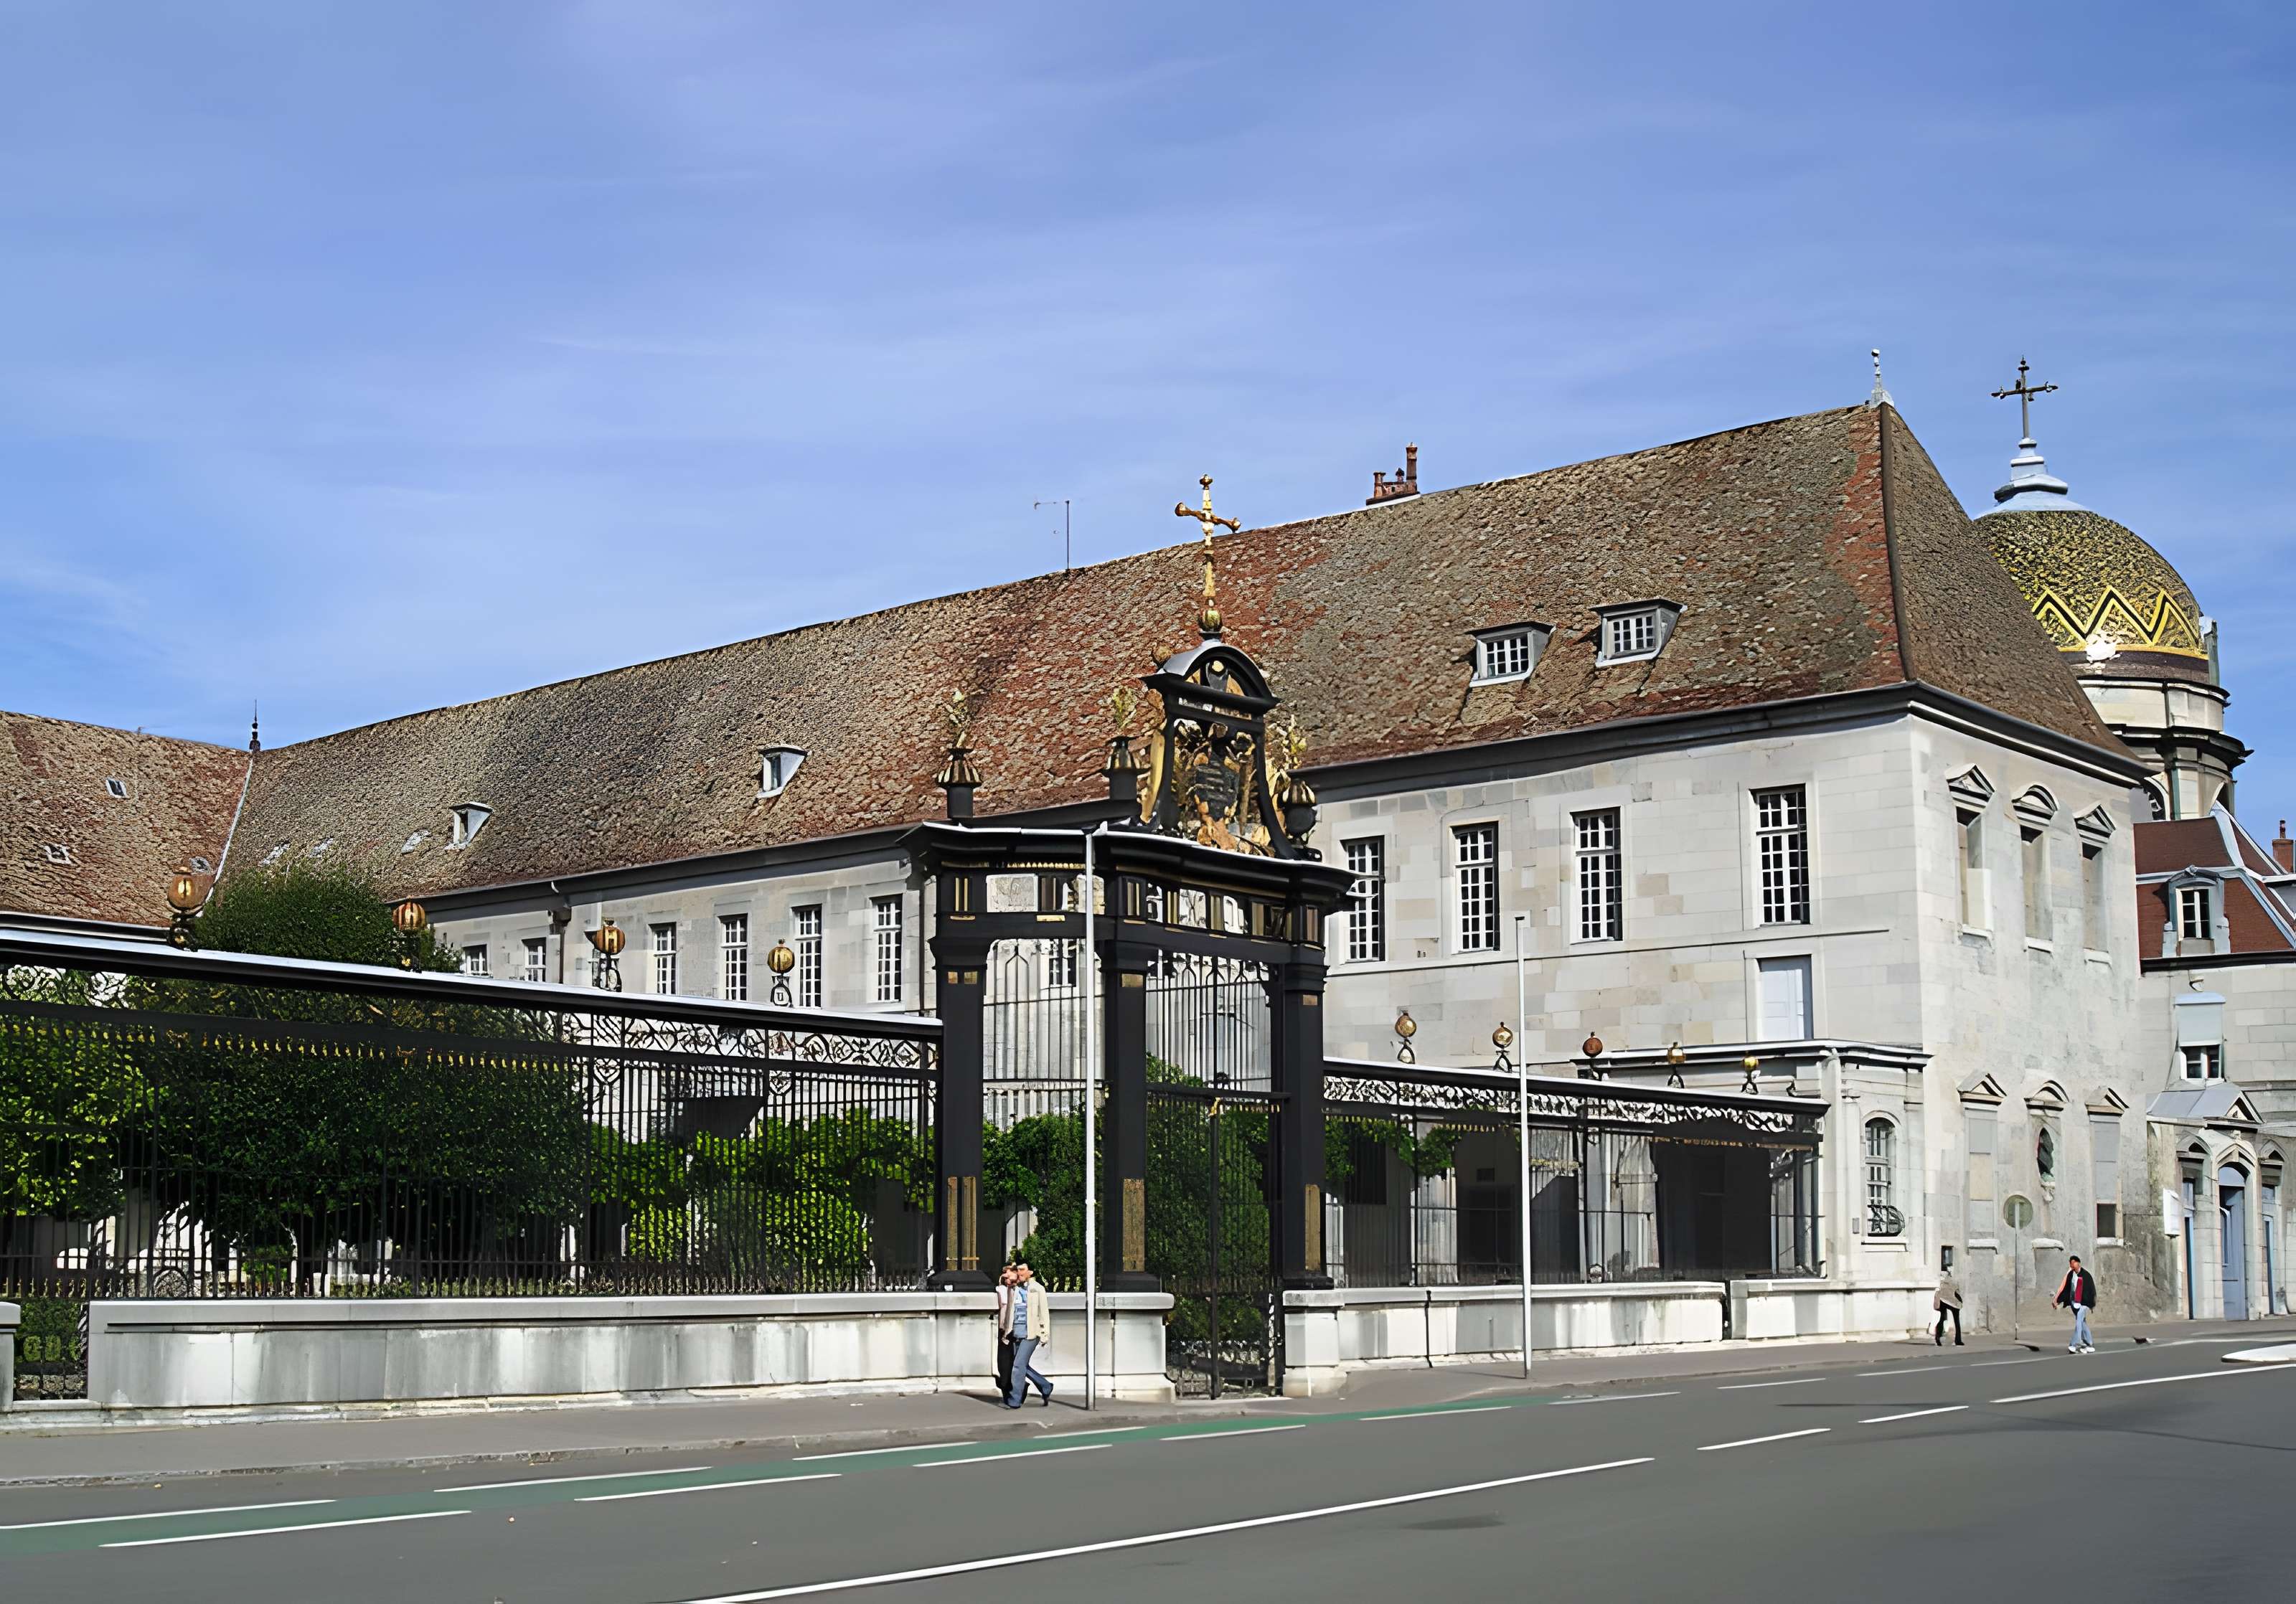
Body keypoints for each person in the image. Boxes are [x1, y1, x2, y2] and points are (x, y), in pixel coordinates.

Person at [1001, 1258, 1053, 1408]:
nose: (1020, 1273)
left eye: (1023, 1270)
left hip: (1031, 1333)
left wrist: (1045, 1334)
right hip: (1016, 1333)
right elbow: (1009, 1312)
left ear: (1030, 1272)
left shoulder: (1037, 1289)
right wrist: (1006, 1332)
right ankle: (1046, 1387)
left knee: (1018, 1366)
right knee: (1022, 1365)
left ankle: (1015, 1399)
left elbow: (1044, 1313)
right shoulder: (1013, 1288)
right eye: (1018, 1270)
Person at [2054, 1255, 2098, 1353]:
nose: (2072, 1265)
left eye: (2073, 1263)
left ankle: (2075, 1344)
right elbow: (2066, 1289)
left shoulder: (2086, 1275)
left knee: (2079, 1320)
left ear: (2078, 1263)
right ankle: (2089, 1343)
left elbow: (2091, 1290)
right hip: (2075, 1303)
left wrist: (2090, 1304)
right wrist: (2058, 1300)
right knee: (2082, 1322)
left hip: (2084, 1303)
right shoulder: (2071, 1275)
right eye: (2071, 1263)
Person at [992, 1263, 1018, 1402]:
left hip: (1015, 1329)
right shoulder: (1002, 1290)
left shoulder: (1018, 1291)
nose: (1007, 1278)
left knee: (1014, 1362)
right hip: (1004, 1330)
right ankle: (1005, 1387)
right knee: (1004, 1362)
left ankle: (1009, 1387)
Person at [1933, 1268, 1964, 1346]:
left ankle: (1938, 1337)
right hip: (1953, 1302)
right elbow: (1957, 1292)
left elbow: (1938, 1291)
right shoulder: (1953, 1280)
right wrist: (1960, 1302)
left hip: (1943, 1300)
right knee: (1957, 1321)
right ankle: (1958, 1340)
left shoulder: (1941, 1280)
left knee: (1942, 1318)